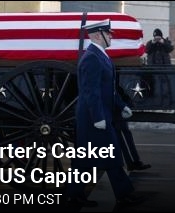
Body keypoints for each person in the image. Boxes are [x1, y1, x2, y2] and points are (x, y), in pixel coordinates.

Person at [67, 19, 145, 207]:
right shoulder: (92, 57)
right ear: (96, 35)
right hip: (93, 118)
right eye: (107, 33)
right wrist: (98, 118)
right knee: (110, 155)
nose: (111, 36)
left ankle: (75, 195)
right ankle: (124, 194)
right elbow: (90, 91)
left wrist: (121, 106)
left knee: (85, 159)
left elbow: (108, 89)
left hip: (99, 116)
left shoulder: (101, 56)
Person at [114, 86, 151, 171]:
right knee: (126, 138)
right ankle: (134, 161)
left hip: (115, 113)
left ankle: (130, 162)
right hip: (118, 113)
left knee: (122, 140)